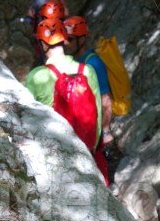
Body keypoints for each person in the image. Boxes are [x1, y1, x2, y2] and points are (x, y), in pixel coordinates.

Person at [24, 18, 109, 185]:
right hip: (86, 150)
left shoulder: (36, 76)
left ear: (43, 44)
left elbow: (28, 119)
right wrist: (92, 147)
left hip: (56, 156)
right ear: (64, 40)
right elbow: (97, 114)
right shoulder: (87, 71)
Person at [64, 16, 114, 149]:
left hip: (95, 132)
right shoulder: (77, 61)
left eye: (70, 39)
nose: (65, 43)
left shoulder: (93, 63)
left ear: (81, 39)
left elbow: (106, 98)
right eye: (64, 38)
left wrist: (105, 131)